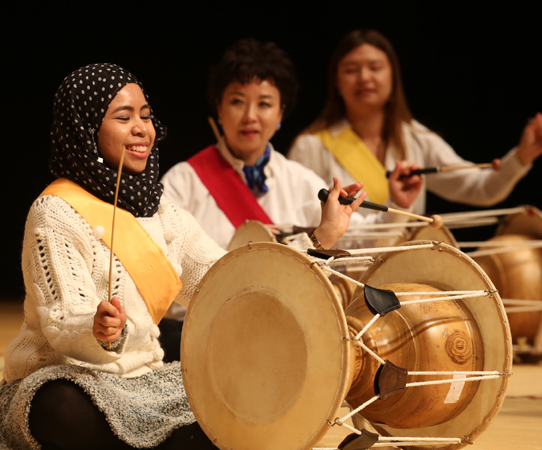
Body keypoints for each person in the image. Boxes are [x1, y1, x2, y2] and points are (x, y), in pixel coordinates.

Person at [0, 63, 362, 450]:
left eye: (146, 117)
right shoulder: (54, 212)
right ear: (86, 126)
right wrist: (99, 328)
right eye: (123, 117)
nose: (142, 129)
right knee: (60, 408)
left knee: (230, 398)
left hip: (144, 382)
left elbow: (230, 277)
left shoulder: (163, 211)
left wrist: (319, 238)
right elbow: (61, 322)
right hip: (68, 376)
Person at [159, 39, 422, 361]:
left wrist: (398, 203)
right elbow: (162, 274)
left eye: (265, 104)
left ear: (281, 112)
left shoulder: (299, 179)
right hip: (202, 336)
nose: (250, 116)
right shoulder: (181, 181)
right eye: (238, 101)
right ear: (218, 106)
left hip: (282, 334)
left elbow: (359, 239)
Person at [288, 29, 542, 216]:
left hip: (409, 277)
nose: (364, 77)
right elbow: (301, 219)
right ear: (336, 82)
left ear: (393, 77)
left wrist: (522, 156)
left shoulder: (416, 138)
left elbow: (481, 188)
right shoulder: (311, 146)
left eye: (375, 67)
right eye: (351, 70)